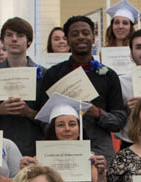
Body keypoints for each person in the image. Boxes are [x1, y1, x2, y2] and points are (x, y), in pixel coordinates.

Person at [38, 15, 127, 162]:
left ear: (93, 37)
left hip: (99, 149)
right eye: (74, 34)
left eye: (85, 33)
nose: (81, 37)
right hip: (62, 151)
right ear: (67, 39)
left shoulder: (108, 75)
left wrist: (97, 113)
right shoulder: (53, 74)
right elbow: (44, 118)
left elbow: (119, 120)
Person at [0, 17, 44, 157]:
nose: (14, 39)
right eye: (9, 35)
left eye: (20, 35)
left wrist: (28, 112)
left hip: (34, 147)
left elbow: (51, 118)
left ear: (29, 41)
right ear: (3, 41)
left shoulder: (43, 75)